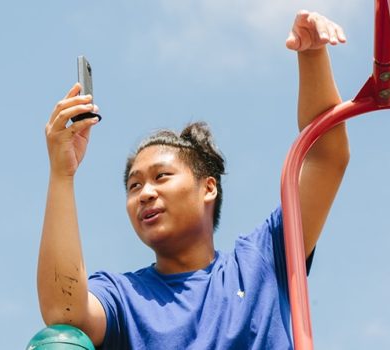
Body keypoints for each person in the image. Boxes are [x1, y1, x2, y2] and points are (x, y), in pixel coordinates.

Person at [37, 10, 349, 349]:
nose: (145, 193)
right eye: (134, 185)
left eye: (161, 176)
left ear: (208, 188)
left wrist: (312, 54)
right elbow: (63, 314)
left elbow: (326, 157)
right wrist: (62, 174)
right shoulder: (124, 296)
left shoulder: (259, 262)